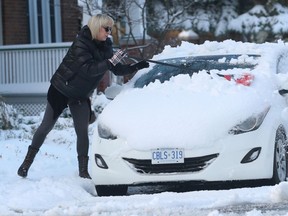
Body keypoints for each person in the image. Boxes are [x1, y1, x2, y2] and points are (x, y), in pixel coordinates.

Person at [17, 14, 149, 179]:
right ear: (96, 27)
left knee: (82, 132)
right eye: (106, 28)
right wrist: (110, 62)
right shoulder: (81, 43)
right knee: (46, 127)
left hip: (80, 95)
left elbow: (116, 69)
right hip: (61, 89)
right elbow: (89, 69)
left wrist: (136, 66)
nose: (109, 32)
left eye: (111, 28)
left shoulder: (106, 46)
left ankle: (83, 171)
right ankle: (26, 165)